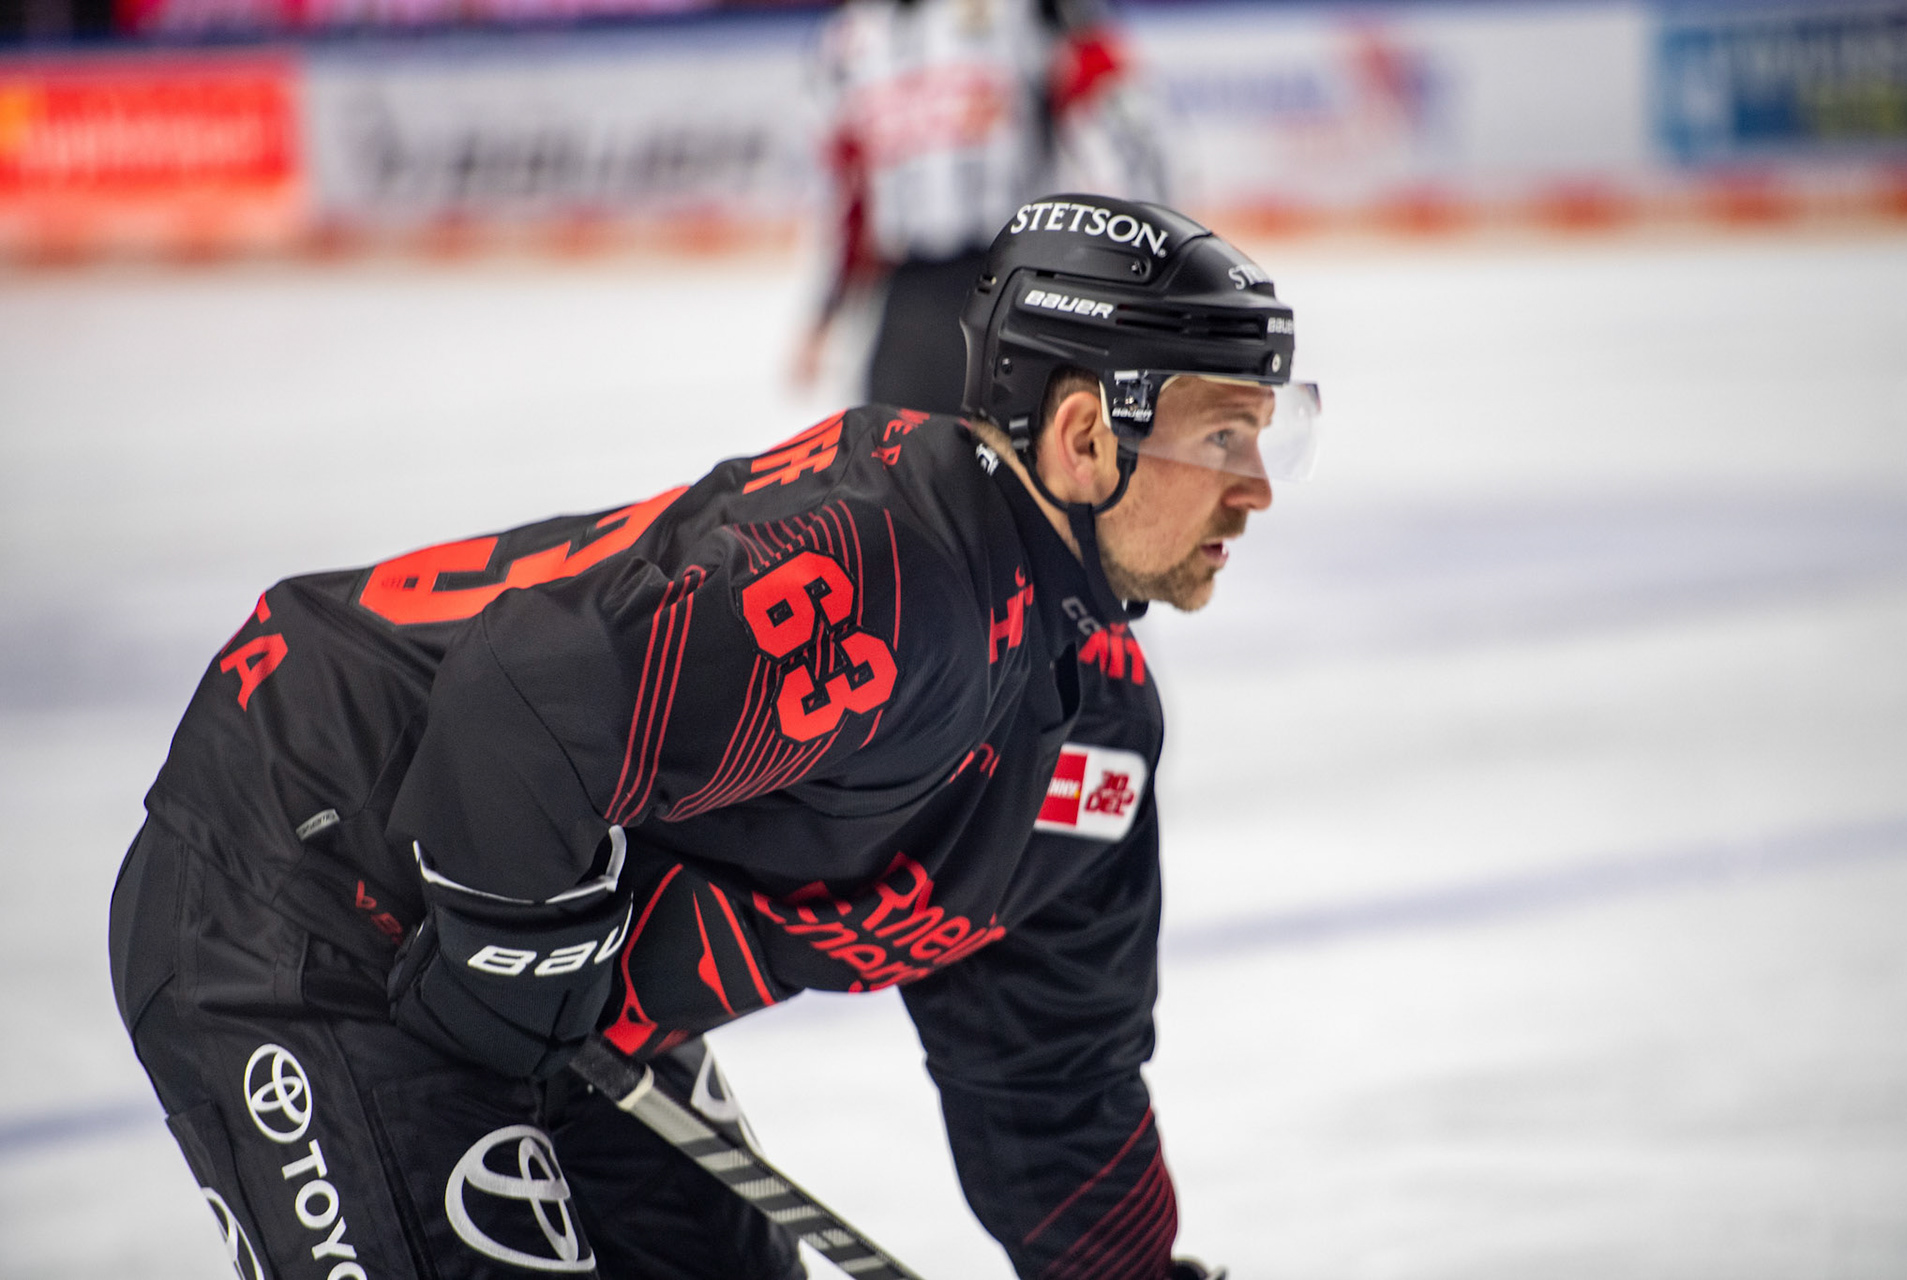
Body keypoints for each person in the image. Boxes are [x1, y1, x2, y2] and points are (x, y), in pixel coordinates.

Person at [108, 193, 1318, 1280]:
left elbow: (1048, 1076)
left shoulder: (1095, 734)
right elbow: (524, 703)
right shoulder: (893, 575)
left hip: (544, 955)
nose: (1257, 484)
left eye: (1270, 434)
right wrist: (517, 969)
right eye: (1222, 435)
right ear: (1085, 438)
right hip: (311, 864)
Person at [793, 0, 1169, 415]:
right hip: (909, 297)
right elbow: (851, 196)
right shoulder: (849, 41)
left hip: (1010, 280)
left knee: (1016, 439)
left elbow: (1119, 135)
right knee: (894, 442)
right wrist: (824, 313)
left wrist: (1147, 272)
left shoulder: (1028, 14)